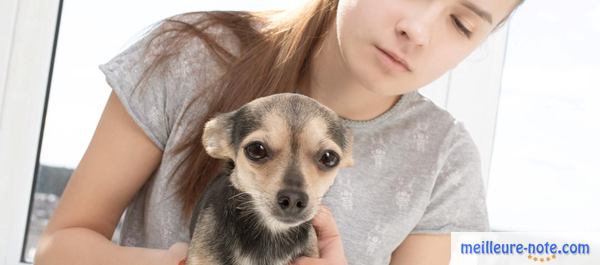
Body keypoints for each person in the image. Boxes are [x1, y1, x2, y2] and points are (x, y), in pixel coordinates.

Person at [34, 0, 524, 264]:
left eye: (461, 24)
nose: (417, 29)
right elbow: (59, 249)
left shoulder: (443, 159)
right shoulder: (190, 57)